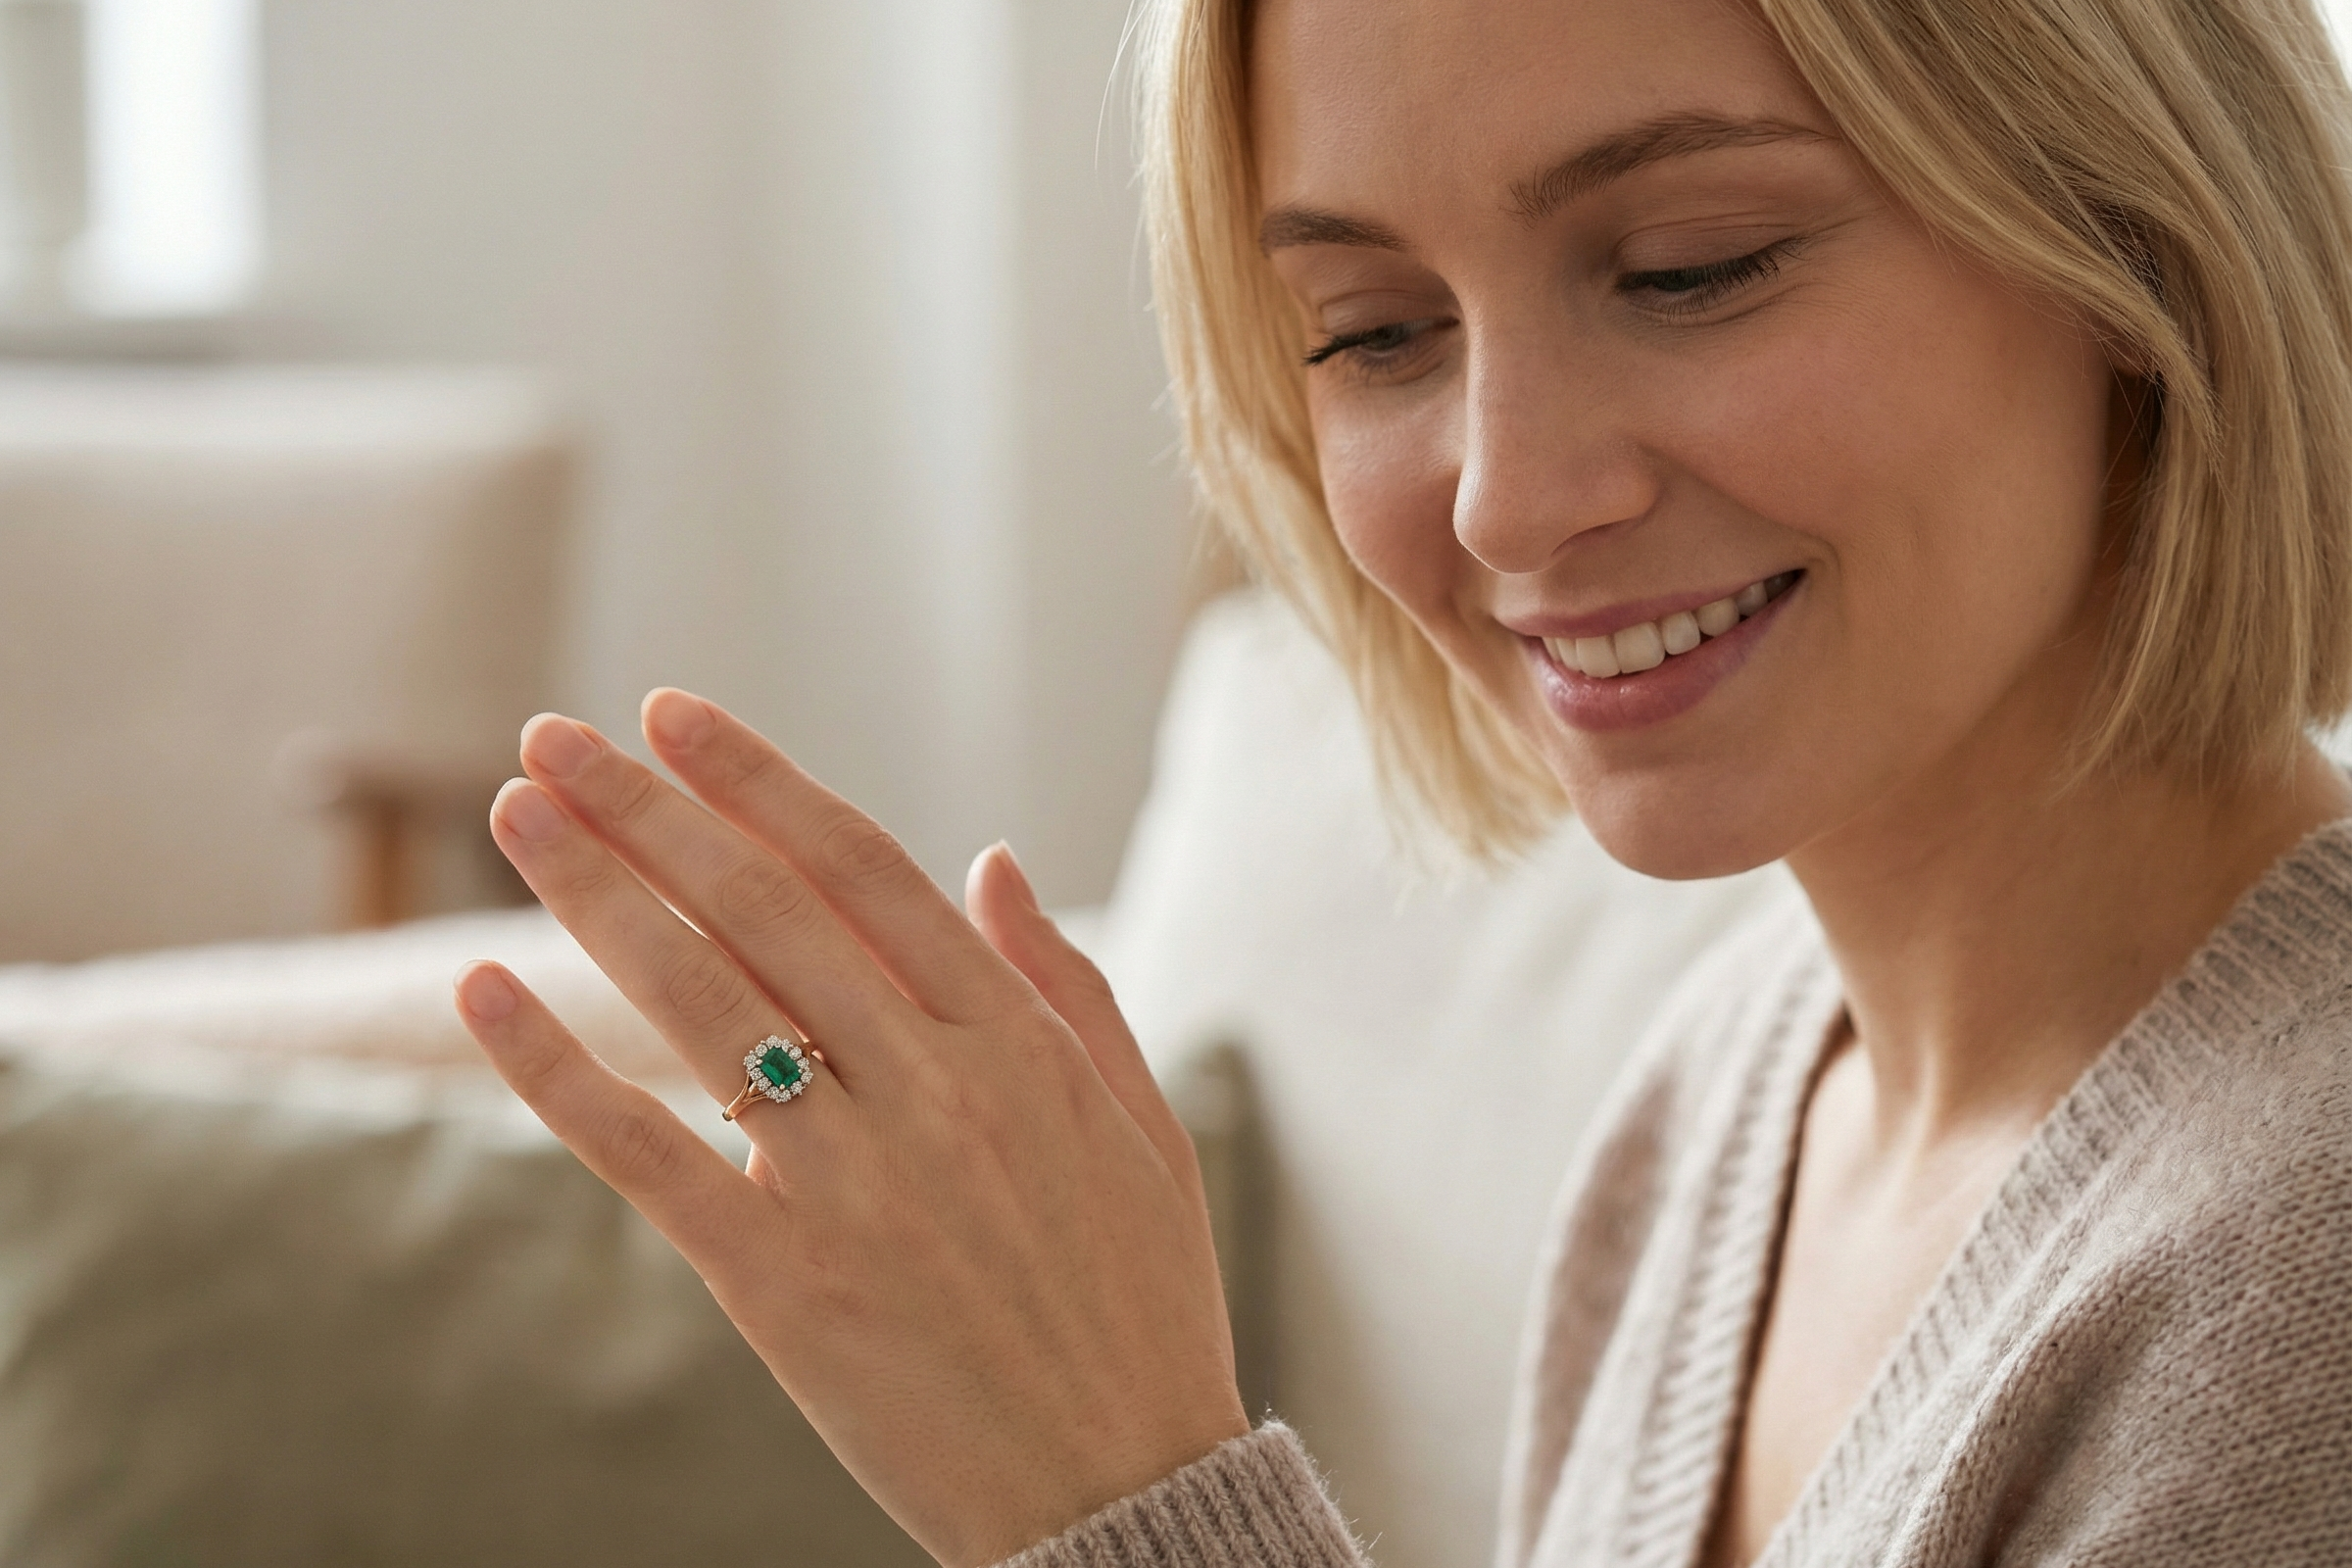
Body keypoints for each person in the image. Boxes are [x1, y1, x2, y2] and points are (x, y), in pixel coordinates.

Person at [451, 0, 2352, 1561]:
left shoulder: (2304, 1267)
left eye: (1693, 266)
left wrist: (1121, 1493)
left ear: (2140, 241)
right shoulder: (1740, 1079)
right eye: (1375, 330)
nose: (1505, 494)